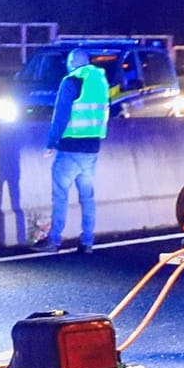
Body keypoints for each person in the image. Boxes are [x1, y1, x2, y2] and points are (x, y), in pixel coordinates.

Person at [37, 49, 109, 253]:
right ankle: (87, 242)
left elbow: (60, 115)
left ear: (72, 62)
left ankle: (54, 241)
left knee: (60, 195)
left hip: (70, 148)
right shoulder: (100, 83)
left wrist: (51, 143)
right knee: (87, 197)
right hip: (92, 148)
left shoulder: (71, 81)